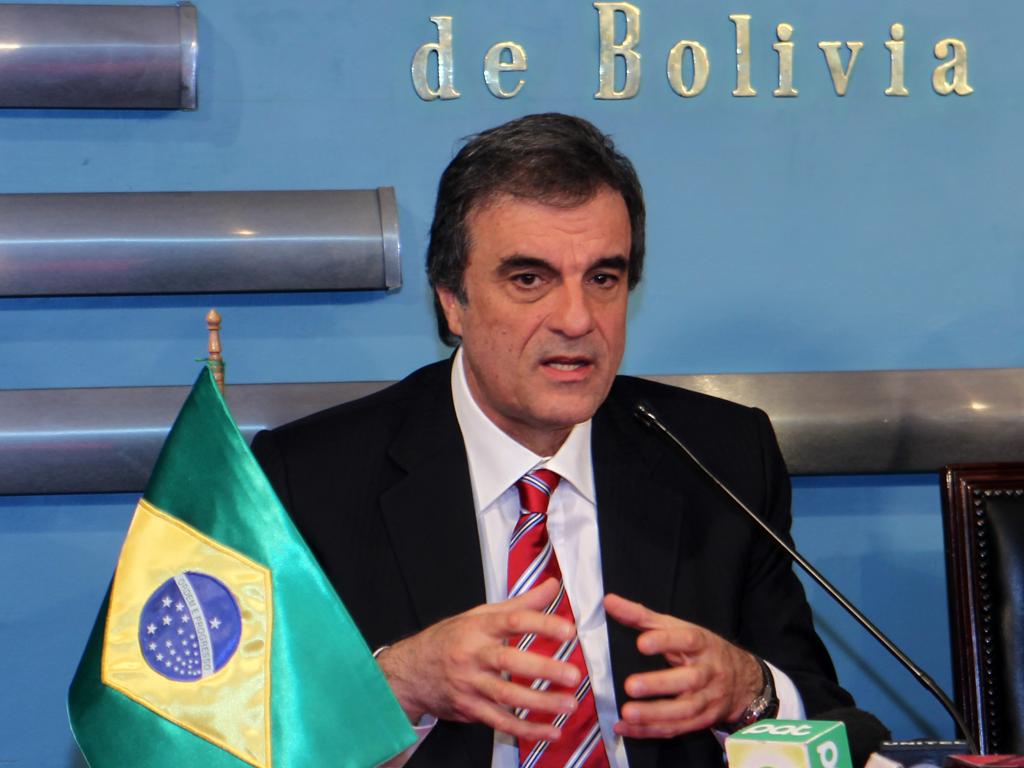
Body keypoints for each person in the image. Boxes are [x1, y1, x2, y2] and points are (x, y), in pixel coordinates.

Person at [252, 113, 862, 767]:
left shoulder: (719, 460)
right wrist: (394, 684)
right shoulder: (307, 481)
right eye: (529, 280)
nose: (576, 320)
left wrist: (751, 690)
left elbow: (831, 723)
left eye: (603, 279)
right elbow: (229, 739)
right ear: (453, 301)